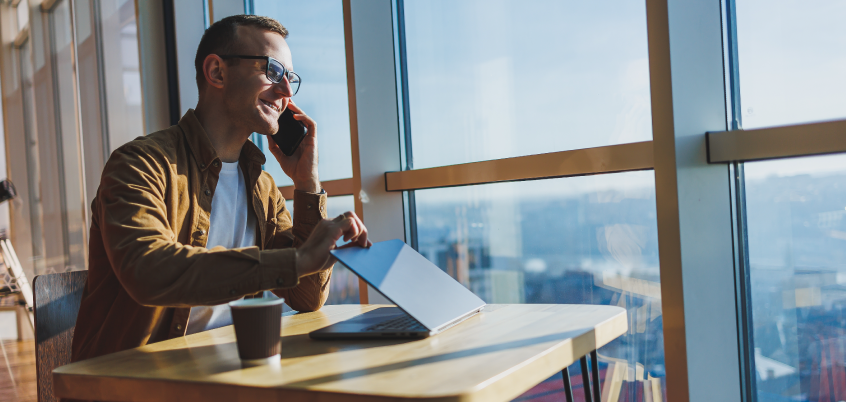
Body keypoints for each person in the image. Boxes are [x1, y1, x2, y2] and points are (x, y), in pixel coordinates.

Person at [71, 14, 368, 362]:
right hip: (139, 380)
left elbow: (306, 297)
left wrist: (307, 184)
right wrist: (298, 259)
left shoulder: (262, 185)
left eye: (291, 79)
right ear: (217, 72)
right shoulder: (140, 164)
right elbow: (147, 271)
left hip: (233, 370)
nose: (286, 92)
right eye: (273, 72)